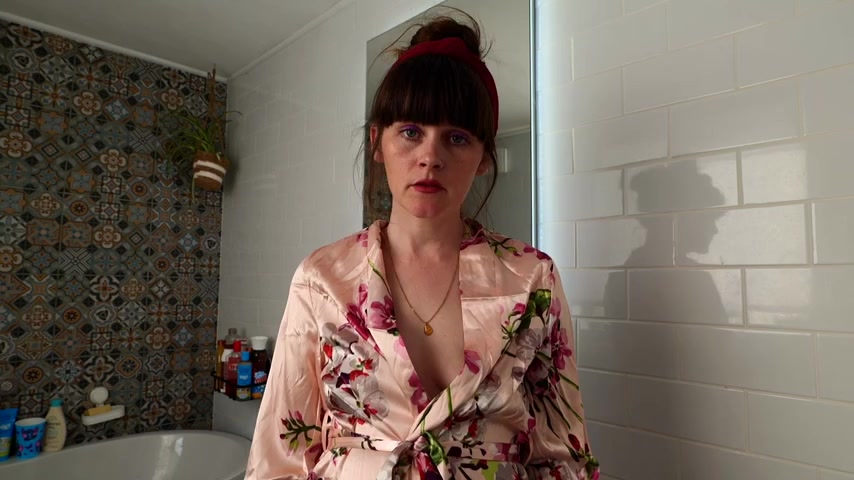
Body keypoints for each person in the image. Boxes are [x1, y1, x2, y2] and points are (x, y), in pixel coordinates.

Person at [246, 13, 599, 480]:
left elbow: (564, 454)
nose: (431, 157)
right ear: (378, 142)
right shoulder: (322, 279)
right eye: (411, 132)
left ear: (483, 160)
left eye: (457, 138)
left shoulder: (532, 278)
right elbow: (279, 457)